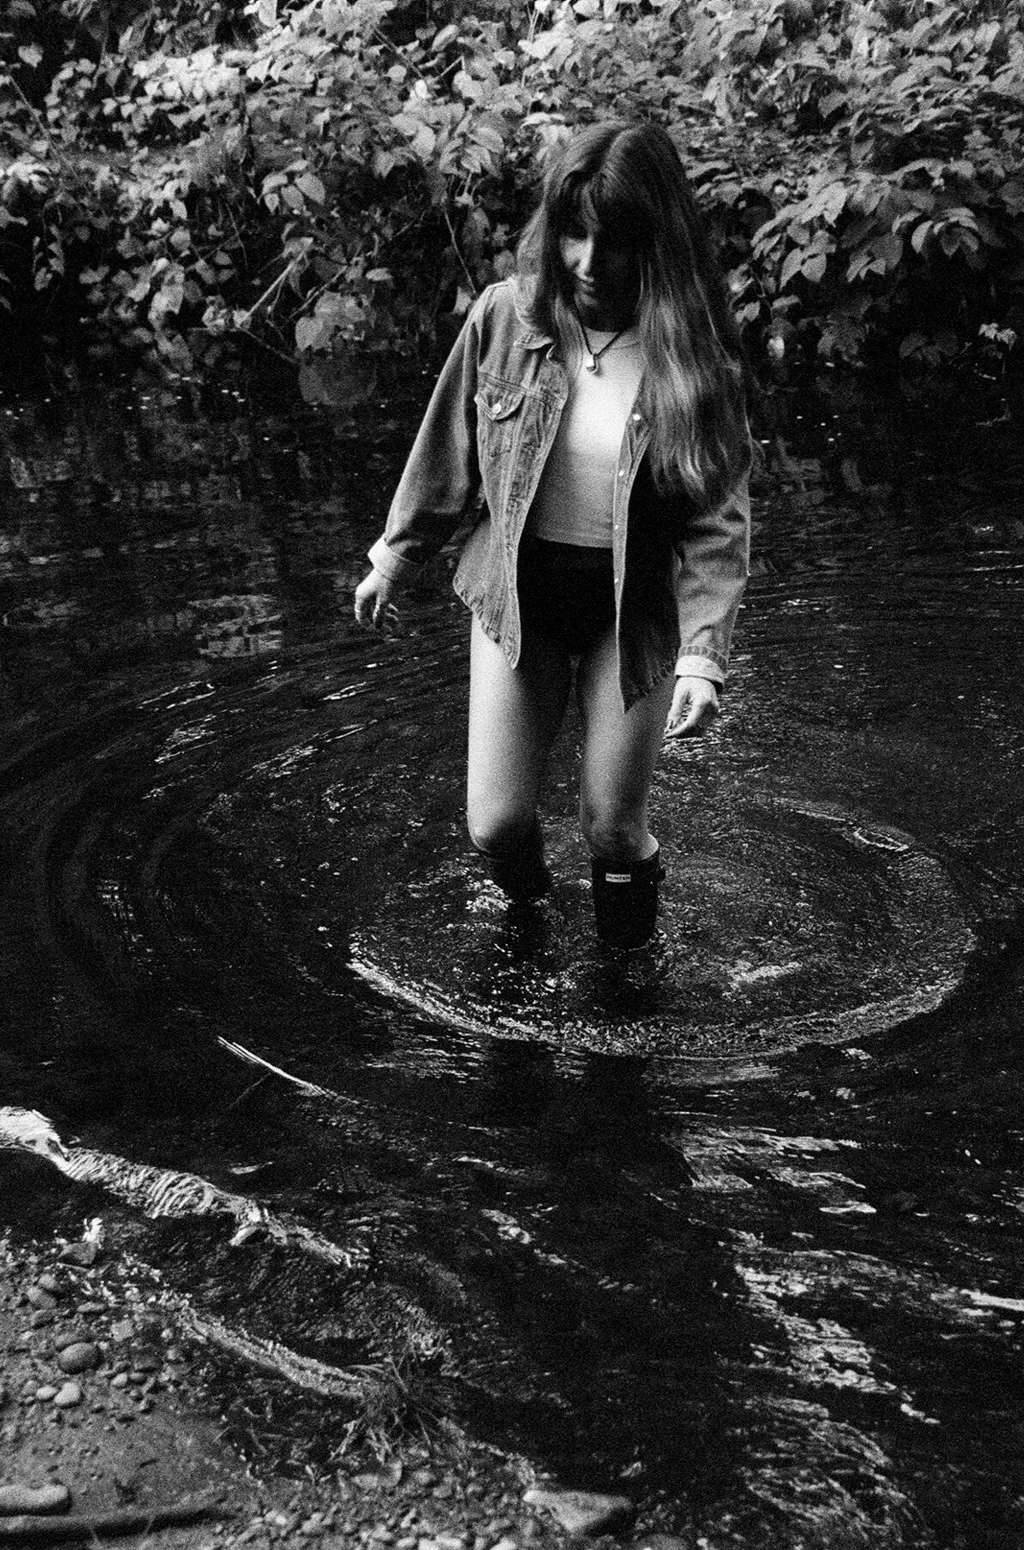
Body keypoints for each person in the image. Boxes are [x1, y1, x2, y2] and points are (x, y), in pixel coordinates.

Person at [352, 119, 754, 953]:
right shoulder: (505, 317)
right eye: (574, 234)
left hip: (631, 610)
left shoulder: (695, 356)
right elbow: (449, 446)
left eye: (615, 242)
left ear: (656, 241)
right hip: (518, 591)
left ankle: (626, 980)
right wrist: (396, 555)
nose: (588, 261)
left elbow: (716, 521)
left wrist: (702, 659)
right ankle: (532, 928)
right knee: (495, 825)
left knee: (611, 825)